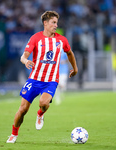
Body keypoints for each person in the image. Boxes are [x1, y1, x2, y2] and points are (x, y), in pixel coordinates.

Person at [6, 11, 78, 143]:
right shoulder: (36, 38)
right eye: (53, 22)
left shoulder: (62, 40)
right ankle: (13, 134)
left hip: (51, 80)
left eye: (56, 22)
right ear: (45, 23)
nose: (56, 25)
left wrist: (75, 68)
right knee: (23, 110)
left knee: (43, 103)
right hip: (34, 79)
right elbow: (24, 56)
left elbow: (70, 53)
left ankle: (40, 114)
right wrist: (26, 61)